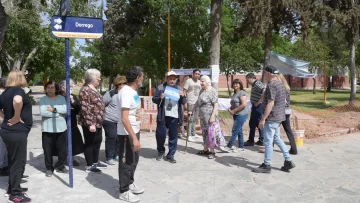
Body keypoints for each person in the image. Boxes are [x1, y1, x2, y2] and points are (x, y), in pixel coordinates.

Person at [252, 66, 296, 173]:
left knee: (268, 141)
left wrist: (263, 119)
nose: (264, 74)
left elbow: (271, 103)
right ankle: (288, 160)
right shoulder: (280, 84)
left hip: (272, 118)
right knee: (277, 139)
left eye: (265, 73)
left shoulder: (271, 85)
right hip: (279, 117)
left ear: (268, 73)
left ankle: (267, 165)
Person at [0, 70, 32, 202]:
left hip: (8, 131)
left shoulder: (5, 92)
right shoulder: (18, 91)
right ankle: (15, 194)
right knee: (18, 163)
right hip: (17, 132)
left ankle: (12, 186)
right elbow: (18, 101)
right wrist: (16, 117)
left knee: (13, 161)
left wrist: (4, 121)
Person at [117, 66, 144, 202]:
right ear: (138, 77)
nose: (143, 78)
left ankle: (130, 183)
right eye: (142, 76)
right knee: (126, 161)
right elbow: (124, 118)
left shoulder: (133, 91)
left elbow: (133, 112)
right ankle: (123, 190)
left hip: (135, 129)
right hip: (126, 133)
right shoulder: (126, 92)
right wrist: (134, 138)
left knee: (134, 159)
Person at [152, 71, 186, 163]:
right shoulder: (160, 87)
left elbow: (183, 102)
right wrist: (160, 98)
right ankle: (160, 151)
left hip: (174, 116)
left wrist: (183, 97)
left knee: (173, 136)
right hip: (163, 116)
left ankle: (171, 155)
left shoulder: (179, 88)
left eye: (174, 79)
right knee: (160, 135)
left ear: (176, 80)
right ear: (166, 79)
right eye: (170, 79)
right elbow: (154, 99)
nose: (172, 80)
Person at [79, 69, 107, 173]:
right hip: (90, 123)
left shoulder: (94, 89)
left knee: (98, 141)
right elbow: (85, 108)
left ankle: (95, 161)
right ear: (92, 78)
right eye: (98, 78)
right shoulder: (85, 90)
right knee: (90, 143)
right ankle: (89, 165)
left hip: (98, 122)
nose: (99, 80)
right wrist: (91, 123)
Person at [191, 75, 224, 159]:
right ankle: (205, 149)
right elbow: (198, 101)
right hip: (203, 117)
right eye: (200, 81)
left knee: (211, 133)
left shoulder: (213, 91)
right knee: (205, 133)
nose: (201, 83)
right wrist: (193, 110)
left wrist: (212, 117)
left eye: (202, 81)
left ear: (207, 82)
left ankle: (212, 151)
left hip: (210, 117)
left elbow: (215, 105)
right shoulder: (202, 90)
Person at [40, 81, 68, 177]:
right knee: (47, 149)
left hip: (61, 128)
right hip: (47, 128)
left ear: (56, 89)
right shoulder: (43, 99)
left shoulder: (61, 98)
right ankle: (49, 168)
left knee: (62, 149)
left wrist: (53, 110)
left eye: (52, 87)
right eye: (48, 87)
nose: (50, 89)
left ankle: (61, 165)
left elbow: (66, 110)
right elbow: (43, 113)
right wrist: (58, 114)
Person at [59, 79, 85, 166]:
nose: (71, 87)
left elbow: (79, 110)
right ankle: (61, 160)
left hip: (72, 124)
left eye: (71, 86)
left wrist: (72, 101)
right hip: (61, 124)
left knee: (73, 142)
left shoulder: (72, 96)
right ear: (63, 88)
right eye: (69, 86)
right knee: (61, 143)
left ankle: (72, 158)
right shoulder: (58, 97)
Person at [103, 76, 126, 165]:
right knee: (112, 136)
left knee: (119, 138)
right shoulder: (110, 93)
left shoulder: (126, 94)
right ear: (116, 85)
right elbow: (102, 103)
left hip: (120, 120)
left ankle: (116, 154)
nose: (122, 85)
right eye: (120, 84)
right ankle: (109, 157)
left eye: (124, 83)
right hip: (109, 119)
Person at [219, 79, 248, 152]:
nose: (235, 85)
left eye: (237, 84)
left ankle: (229, 146)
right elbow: (234, 104)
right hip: (236, 114)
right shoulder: (235, 93)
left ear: (240, 84)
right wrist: (230, 109)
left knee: (234, 131)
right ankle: (241, 147)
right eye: (234, 84)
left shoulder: (242, 92)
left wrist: (234, 111)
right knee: (239, 131)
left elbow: (244, 104)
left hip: (241, 115)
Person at [277, 73, 298, 155]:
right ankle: (294, 149)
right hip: (287, 111)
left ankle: (269, 148)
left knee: (273, 130)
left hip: (279, 111)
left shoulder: (279, 88)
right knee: (288, 130)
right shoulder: (287, 88)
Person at [244, 73, 265, 146]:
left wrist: (259, 102)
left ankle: (251, 140)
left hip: (258, 106)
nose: (247, 81)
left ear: (251, 78)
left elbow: (264, 91)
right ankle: (261, 139)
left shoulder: (257, 84)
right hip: (255, 106)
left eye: (247, 79)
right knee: (256, 123)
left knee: (253, 123)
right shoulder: (254, 84)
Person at [183, 69, 201, 142]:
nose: (197, 75)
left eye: (198, 74)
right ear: (193, 74)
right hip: (190, 102)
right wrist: (185, 102)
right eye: (196, 73)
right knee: (190, 119)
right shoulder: (189, 81)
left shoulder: (200, 82)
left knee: (195, 119)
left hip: (198, 103)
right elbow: (184, 91)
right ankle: (189, 135)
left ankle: (193, 133)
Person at [0, 77, 8, 176]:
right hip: (3, 123)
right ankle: (2, 166)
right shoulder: (2, 94)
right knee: (2, 146)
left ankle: (4, 166)